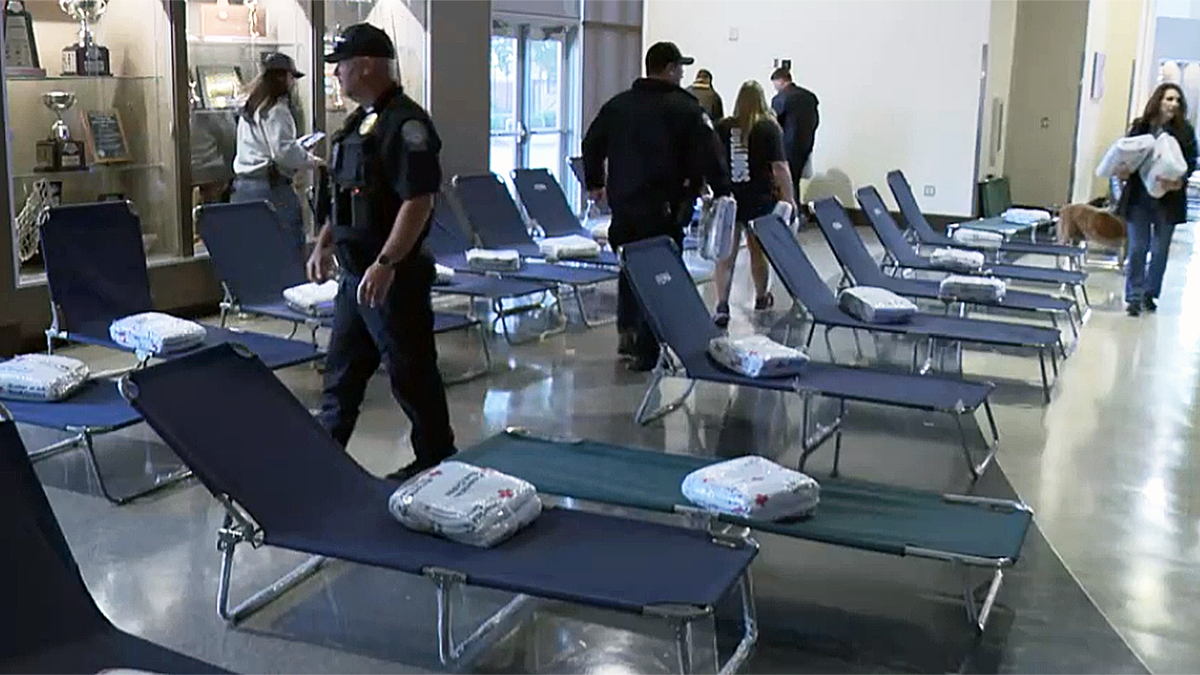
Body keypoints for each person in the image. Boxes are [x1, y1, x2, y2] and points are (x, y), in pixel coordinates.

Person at [306, 23, 457, 481]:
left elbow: (418, 200)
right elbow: (348, 196)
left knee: (410, 373)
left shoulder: (406, 125)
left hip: (393, 277)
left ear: (367, 65)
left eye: (341, 67)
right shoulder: (359, 124)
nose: (337, 76)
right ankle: (323, 467)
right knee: (341, 377)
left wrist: (388, 262)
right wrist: (324, 242)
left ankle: (437, 458)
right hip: (356, 275)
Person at [582, 41, 732, 371]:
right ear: (668, 69)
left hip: (624, 204)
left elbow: (591, 143)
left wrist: (594, 183)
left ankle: (628, 332)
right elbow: (711, 151)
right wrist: (722, 189)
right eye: (679, 68)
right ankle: (648, 350)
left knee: (630, 266)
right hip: (665, 206)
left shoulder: (618, 106)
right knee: (661, 274)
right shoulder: (686, 109)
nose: (681, 74)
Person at [712, 80, 796, 327]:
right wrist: (789, 199)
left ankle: (721, 305)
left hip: (729, 198)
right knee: (758, 253)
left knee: (725, 255)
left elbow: (713, 161)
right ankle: (761, 297)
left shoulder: (723, 127)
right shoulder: (768, 128)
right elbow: (780, 167)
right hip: (760, 200)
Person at [1116, 82, 1198, 316]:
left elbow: (1191, 161)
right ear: (1158, 101)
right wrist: (1122, 171)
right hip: (1139, 198)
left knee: (1160, 250)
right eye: (1169, 99)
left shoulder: (1185, 132)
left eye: (1177, 100)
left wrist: (1179, 181)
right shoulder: (1140, 127)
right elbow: (1126, 156)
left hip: (1169, 198)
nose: (1173, 104)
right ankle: (1133, 296)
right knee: (1138, 248)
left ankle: (1150, 293)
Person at [231, 52, 321, 259]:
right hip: (271, 190)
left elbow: (267, 147)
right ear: (282, 78)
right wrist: (311, 161)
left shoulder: (250, 108)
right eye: (292, 77)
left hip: (243, 189)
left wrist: (295, 147)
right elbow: (283, 153)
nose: (293, 83)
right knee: (285, 253)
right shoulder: (278, 110)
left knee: (251, 256)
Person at [769, 67, 819, 221]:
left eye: (775, 84)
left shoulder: (780, 99)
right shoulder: (810, 97)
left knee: (786, 182)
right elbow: (816, 121)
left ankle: (790, 214)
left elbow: (774, 124)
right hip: (805, 145)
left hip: (785, 147)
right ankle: (797, 212)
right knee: (795, 179)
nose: (775, 88)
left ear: (781, 81)